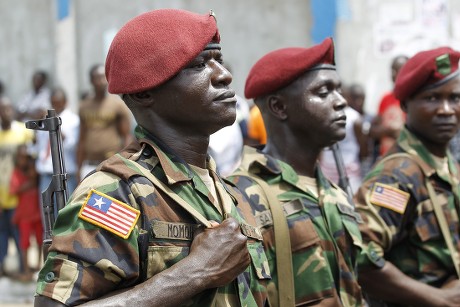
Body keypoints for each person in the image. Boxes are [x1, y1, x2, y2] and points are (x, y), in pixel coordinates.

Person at [34, 9, 269, 306]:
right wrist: (195, 273)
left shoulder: (226, 192)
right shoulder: (116, 193)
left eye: (218, 61)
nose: (223, 75)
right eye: (199, 64)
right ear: (145, 93)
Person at [228, 38, 366, 306]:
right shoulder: (241, 196)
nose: (341, 102)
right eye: (324, 92)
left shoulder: (330, 190)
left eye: (338, 90)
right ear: (279, 107)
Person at [355, 46, 460, 306]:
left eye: (455, 98)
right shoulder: (396, 175)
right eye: (433, 98)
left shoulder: (445, 162)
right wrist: (439, 298)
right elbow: (360, 258)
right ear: (404, 105)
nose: (446, 109)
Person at [76, 63, 132, 181]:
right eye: (97, 77)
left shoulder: (118, 105)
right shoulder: (84, 106)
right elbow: (81, 139)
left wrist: (125, 164)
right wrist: (79, 167)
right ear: (91, 80)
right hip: (89, 164)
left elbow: (126, 137)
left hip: (110, 163)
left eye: (103, 77)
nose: (101, 81)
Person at [0, 96, 35, 276]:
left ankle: (24, 268)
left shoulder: (23, 131)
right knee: (2, 233)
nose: (5, 112)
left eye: (7, 108)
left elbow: (33, 154)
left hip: (19, 194)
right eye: (1, 109)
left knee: (20, 233)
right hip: (2, 192)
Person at [35, 87, 80, 198]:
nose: (55, 106)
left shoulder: (73, 119)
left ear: (65, 102)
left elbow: (72, 145)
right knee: (47, 211)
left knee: (64, 212)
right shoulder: (46, 119)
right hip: (46, 174)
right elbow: (39, 145)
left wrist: (55, 125)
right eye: (53, 103)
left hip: (66, 175)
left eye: (58, 103)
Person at [10, 144, 42, 280]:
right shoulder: (16, 173)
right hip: (24, 215)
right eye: (21, 158)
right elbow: (14, 189)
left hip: (37, 213)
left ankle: (39, 265)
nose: (23, 161)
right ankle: (26, 270)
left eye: (26, 158)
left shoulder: (34, 170)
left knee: (41, 240)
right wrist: (30, 183)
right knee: (24, 243)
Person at [370, 55, 409, 158]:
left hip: (406, 157)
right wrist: (390, 131)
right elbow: (373, 131)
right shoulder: (385, 99)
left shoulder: (412, 99)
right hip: (386, 158)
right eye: (392, 70)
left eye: (398, 70)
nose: (393, 74)